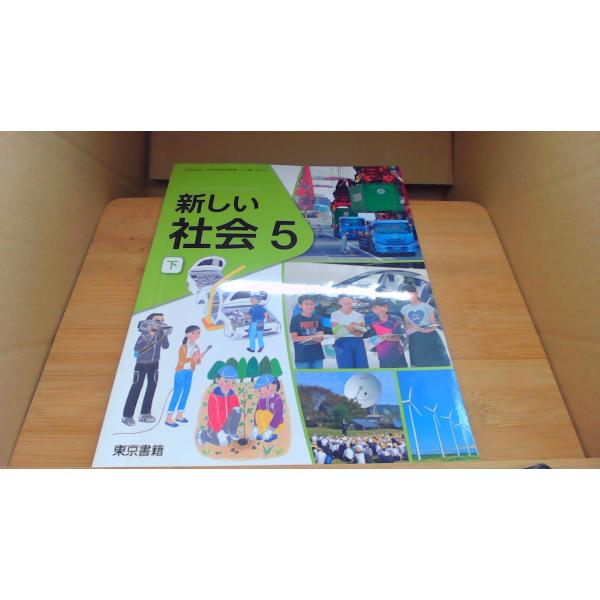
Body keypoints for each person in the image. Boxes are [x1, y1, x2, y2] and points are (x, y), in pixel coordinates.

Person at [122, 313, 171, 426]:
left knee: (151, 387)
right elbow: (137, 348)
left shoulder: (160, 334)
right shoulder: (144, 334)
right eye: (157, 320)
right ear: (148, 322)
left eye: (162, 320)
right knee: (136, 387)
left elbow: (165, 346)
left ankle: (145, 414)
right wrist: (149, 335)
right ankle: (127, 416)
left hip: (154, 364)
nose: (160, 322)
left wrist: (164, 335)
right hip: (141, 364)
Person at [400, 284, 450, 367]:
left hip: (429, 335)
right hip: (415, 338)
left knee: (435, 360)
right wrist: (414, 329)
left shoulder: (427, 307)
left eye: (410, 293)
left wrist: (427, 330)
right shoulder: (404, 308)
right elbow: (407, 327)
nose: (409, 296)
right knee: (419, 362)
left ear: (416, 293)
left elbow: (433, 325)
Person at [165, 325, 203, 428]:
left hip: (190, 372)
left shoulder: (196, 347)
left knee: (185, 393)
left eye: (198, 333)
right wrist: (193, 358)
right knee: (177, 394)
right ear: (187, 334)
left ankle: (179, 415)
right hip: (180, 372)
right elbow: (182, 360)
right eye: (193, 333)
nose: (196, 335)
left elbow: (198, 362)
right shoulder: (183, 347)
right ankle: (169, 417)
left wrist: (199, 358)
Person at [197, 365, 241, 446]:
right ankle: (204, 434)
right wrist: (220, 432)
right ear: (217, 380)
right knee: (222, 443)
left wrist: (230, 429)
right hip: (215, 427)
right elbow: (213, 417)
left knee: (237, 410)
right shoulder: (214, 397)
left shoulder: (233, 395)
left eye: (231, 381)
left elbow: (236, 412)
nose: (228, 384)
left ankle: (231, 432)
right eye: (226, 381)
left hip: (227, 426)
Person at [289, 295, 332, 369]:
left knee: (318, 375)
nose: (309, 306)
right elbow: (294, 338)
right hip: (302, 357)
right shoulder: (295, 319)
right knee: (305, 376)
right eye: (306, 304)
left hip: (318, 356)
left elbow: (320, 334)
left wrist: (320, 338)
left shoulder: (318, 318)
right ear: (300, 305)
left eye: (311, 304)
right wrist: (312, 337)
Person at [365, 299, 408, 368]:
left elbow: (399, 337)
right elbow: (371, 339)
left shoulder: (395, 320)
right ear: (372, 310)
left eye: (380, 307)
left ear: (386, 307)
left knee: (402, 373)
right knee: (387, 373)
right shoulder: (372, 323)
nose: (379, 310)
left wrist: (388, 338)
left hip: (398, 354)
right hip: (383, 356)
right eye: (375, 308)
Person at [331, 295, 368, 368]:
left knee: (361, 365)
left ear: (352, 301)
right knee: (345, 367)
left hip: (357, 343)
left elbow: (360, 333)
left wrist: (344, 328)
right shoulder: (335, 314)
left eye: (349, 299)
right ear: (339, 302)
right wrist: (353, 327)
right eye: (343, 299)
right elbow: (336, 332)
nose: (346, 301)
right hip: (341, 343)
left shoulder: (359, 315)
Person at [251, 373, 284, 443]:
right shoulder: (261, 399)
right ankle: (263, 432)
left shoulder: (277, 399)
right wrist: (255, 427)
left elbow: (278, 416)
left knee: (263, 413)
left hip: (277, 424)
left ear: (275, 386)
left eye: (267, 387)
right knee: (259, 412)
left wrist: (269, 430)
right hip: (266, 424)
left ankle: (271, 433)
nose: (263, 391)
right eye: (260, 389)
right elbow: (256, 413)